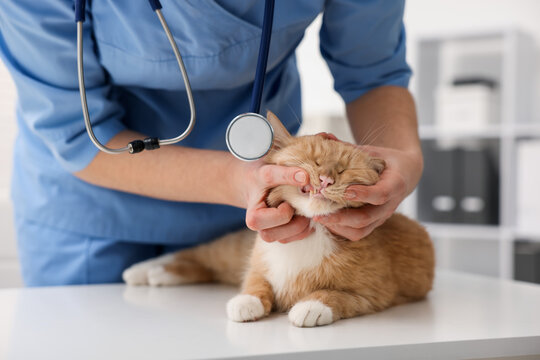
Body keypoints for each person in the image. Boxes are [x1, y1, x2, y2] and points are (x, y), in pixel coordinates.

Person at [0, 0, 423, 286]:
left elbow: (375, 71)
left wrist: (403, 157)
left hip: (258, 215)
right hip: (91, 210)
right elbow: (76, 130)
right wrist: (242, 181)